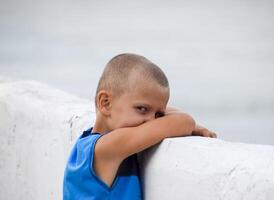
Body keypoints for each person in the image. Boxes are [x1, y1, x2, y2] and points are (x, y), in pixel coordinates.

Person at [63, 53, 217, 200]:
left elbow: (178, 120)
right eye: (142, 109)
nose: (151, 121)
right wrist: (191, 125)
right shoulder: (107, 148)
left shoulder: (88, 145)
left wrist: (156, 112)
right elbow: (184, 121)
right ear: (105, 103)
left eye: (158, 114)